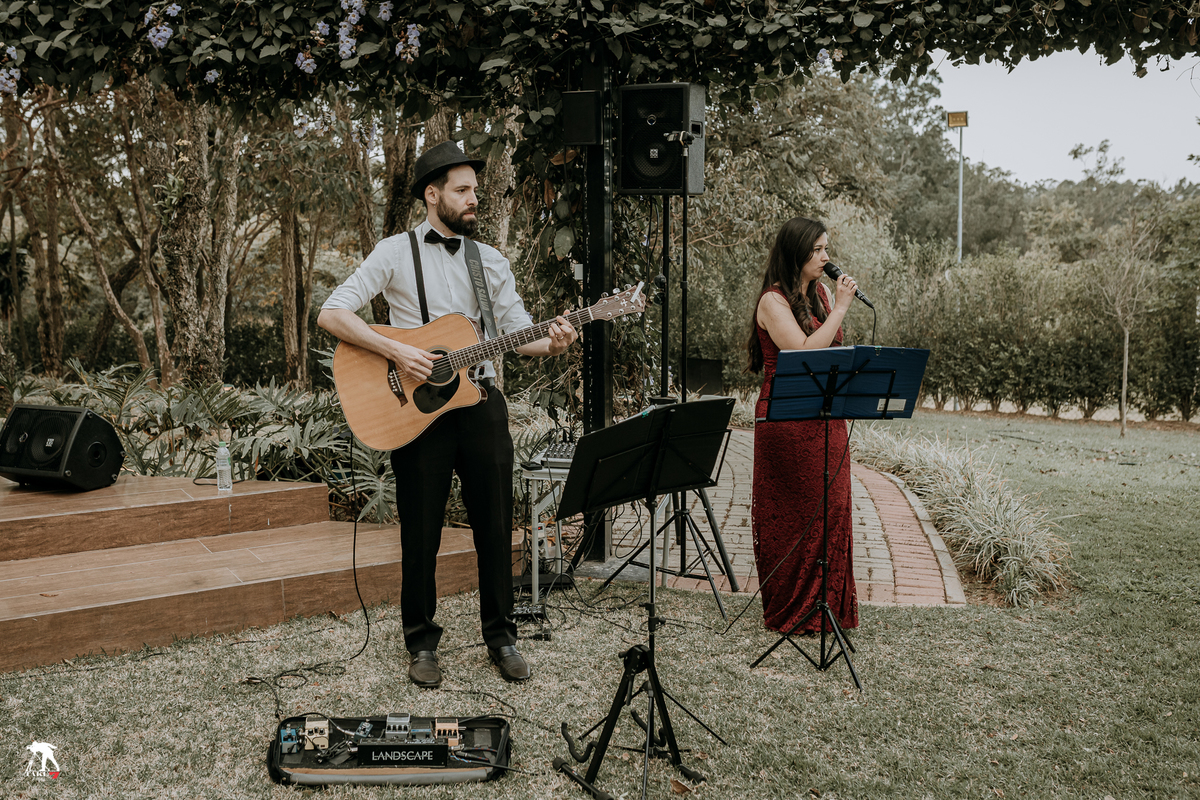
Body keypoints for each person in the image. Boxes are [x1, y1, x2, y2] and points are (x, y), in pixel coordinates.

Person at [317, 140, 578, 687]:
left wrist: (551, 343)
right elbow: (333, 312)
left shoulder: (491, 261)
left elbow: (515, 331)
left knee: (493, 526)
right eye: (462, 190)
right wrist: (397, 351)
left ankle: (501, 636)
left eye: (475, 190)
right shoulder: (392, 252)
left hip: (480, 403)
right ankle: (421, 643)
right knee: (421, 531)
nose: (473, 198)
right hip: (416, 410)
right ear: (432, 196)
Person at [746, 216, 859, 635]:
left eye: (827, 248)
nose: (826, 257)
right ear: (797, 253)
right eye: (817, 250)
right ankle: (792, 607)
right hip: (786, 421)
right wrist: (843, 308)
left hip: (827, 418)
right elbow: (804, 351)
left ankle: (827, 606)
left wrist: (836, 306)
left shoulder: (823, 295)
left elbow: (834, 349)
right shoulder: (771, 302)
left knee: (833, 507)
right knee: (796, 515)